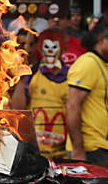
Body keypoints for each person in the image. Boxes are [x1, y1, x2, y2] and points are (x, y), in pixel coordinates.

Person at [65, 17, 108, 168]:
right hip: (91, 149)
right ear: (101, 39)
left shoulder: (105, 67)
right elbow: (72, 106)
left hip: (104, 149)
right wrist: (78, 150)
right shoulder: (88, 63)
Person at [10, 29, 73, 157]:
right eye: (46, 47)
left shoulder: (72, 75)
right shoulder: (32, 74)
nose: (50, 51)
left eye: (55, 47)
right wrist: (22, 79)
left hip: (64, 152)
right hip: (36, 150)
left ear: (62, 48)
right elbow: (18, 108)